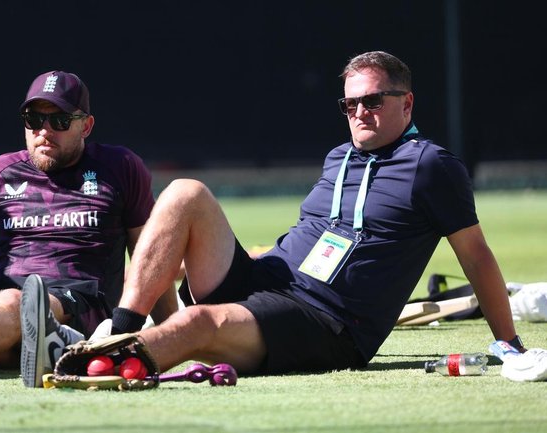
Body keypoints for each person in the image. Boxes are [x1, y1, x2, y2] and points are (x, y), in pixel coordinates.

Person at [106, 51, 524, 375]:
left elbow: (475, 255)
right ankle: (118, 332)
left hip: (326, 322)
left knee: (197, 323)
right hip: (267, 282)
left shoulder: (431, 165)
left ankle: (99, 363)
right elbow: (316, 236)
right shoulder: (338, 157)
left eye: (373, 101)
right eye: (350, 104)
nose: (360, 113)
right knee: (184, 191)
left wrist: (509, 342)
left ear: (407, 103)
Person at [0, 70, 178, 383]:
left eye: (60, 121)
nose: (44, 131)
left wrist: (172, 332)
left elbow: (150, 254)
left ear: (86, 126)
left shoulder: (120, 167)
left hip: (80, 301)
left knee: (20, 300)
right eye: (34, 119)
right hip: (4, 296)